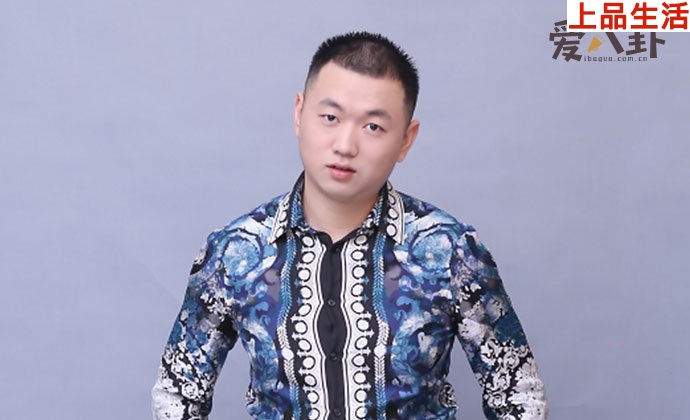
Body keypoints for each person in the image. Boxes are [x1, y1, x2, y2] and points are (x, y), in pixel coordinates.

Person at [152, 31, 547, 420]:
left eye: (373, 126)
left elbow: (519, 396)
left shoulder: (449, 250)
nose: (345, 145)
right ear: (299, 113)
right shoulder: (235, 251)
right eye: (330, 117)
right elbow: (176, 395)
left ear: (406, 140)